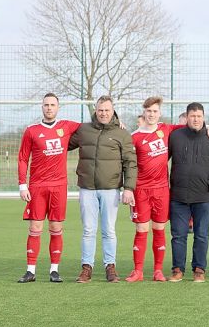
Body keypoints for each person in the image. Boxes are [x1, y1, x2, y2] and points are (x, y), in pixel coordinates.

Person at [68, 95, 137, 283]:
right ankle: (86, 267)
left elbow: (131, 162)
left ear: (113, 110)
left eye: (107, 110)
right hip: (87, 188)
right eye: (100, 110)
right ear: (95, 111)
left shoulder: (122, 133)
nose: (103, 113)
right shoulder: (83, 130)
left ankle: (110, 267)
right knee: (88, 230)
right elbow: (63, 141)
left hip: (110, 189)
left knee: (109, 230)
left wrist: (129, 188)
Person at [16, 93, 82, 283]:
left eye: (53, 105)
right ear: (41, 107)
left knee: (56, 227)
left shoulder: (67, 126)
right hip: (37, 186)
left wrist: (116, 124)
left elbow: (91, 127)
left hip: (59, 186)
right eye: (46, 105)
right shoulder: (31, 130)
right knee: (35, 227)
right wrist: (22, 185)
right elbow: (22, 158)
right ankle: (30, 271)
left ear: (58, 107)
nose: (49, 108)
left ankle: (54, 270)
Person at [166, 102, 209, 283]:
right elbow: (162, 159)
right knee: (178, 235)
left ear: (203, 117)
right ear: (186, 117)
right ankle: (177, 270)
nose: (196, 119)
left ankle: (199, 269)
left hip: (203, 196)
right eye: (193, 116)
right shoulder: (175, 136)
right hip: (178, 195)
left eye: (199, 116)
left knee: (201, 235)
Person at [125, 96, 178, 282]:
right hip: (141, 190)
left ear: (159, 113)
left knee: (159, 228)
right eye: (149, 111)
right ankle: (138, 271)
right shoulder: (134, 137)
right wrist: (129, 188)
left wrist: (208, 127)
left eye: (155, 111)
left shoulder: (166, 129)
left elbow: (189, 127)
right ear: (144, 113)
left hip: (162, 189)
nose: (152, 114)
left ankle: (158, 271)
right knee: (141, 229)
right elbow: (129, 165)